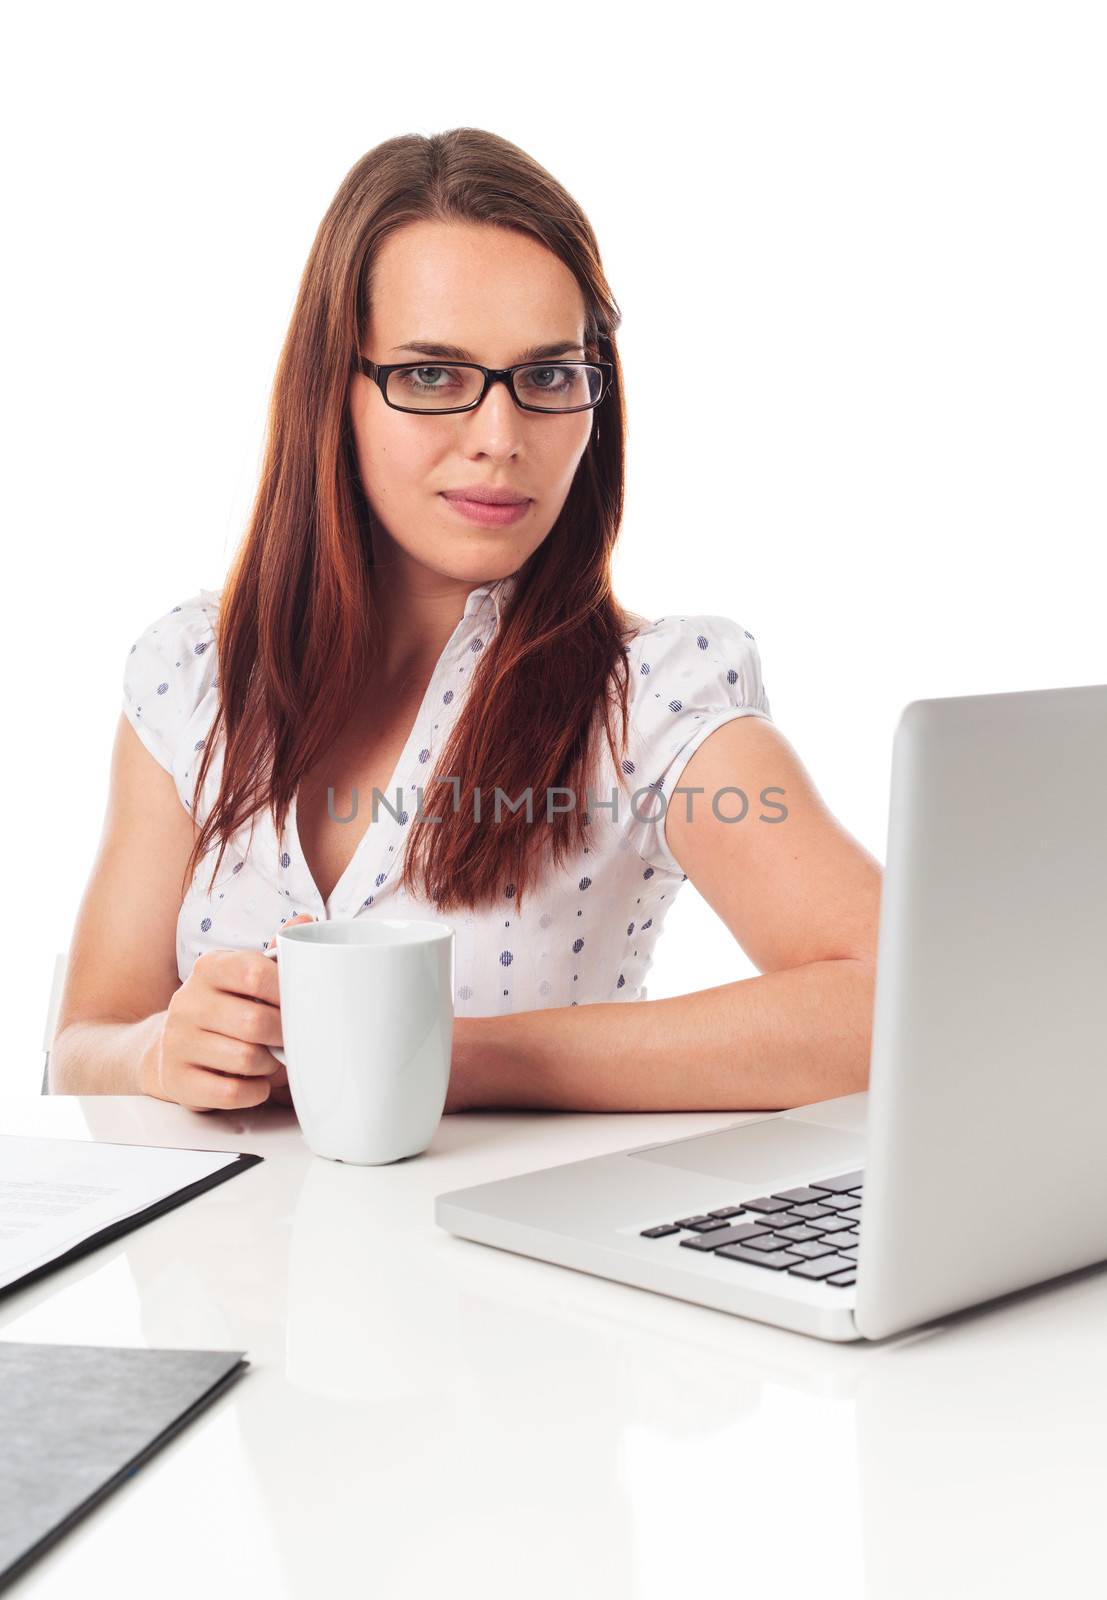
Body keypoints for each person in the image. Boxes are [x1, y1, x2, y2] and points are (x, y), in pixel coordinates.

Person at [50, 127, 882, 1116]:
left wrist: (441, 1052)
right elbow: (84, 1041)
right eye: (434, 376)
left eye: (547, 376)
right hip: (217, 1269)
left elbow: (888, 1002)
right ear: (334, 392)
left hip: (499, 1267)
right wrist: (157, 1050)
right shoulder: (196, 676)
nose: (501, 438)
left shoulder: (652, 698)